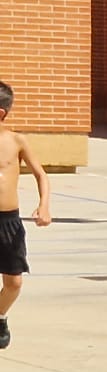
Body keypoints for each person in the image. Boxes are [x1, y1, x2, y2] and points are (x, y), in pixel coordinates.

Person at [0, 81, 53, 352]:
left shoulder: (17, 141)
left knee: (14, 282)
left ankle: (0, 317)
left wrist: (44, 206)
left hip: (8, 222)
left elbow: (41, 175)